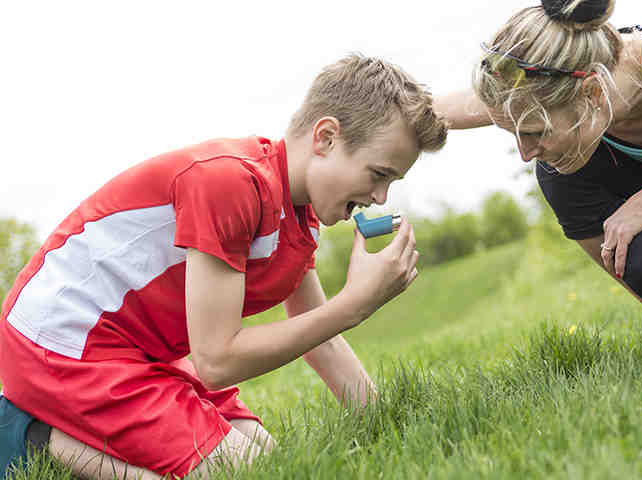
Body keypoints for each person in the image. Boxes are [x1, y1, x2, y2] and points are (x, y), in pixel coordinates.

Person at [0, 53, 448, 479]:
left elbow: (321, 341)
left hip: (138, 351)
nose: (381, 197)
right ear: (326, 138)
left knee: (269, 457)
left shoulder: (300, 216)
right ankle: (40, 441)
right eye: (378, 174)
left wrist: (391, 424)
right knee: (244, 471)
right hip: (59, 343)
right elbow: (215, 360)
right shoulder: (228, 183)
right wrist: (355, 304)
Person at [436, 0, 642, 339]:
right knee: (557, 171)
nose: (524, 153)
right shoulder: (542, 86)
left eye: (534, 133)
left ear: (593, 92)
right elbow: (427, 111)